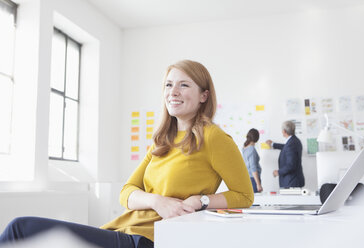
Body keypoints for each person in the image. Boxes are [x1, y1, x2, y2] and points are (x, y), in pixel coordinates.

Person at [0, 60, 254, 248]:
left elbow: (244, 195)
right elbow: (126, 193)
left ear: (203, 95)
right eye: (168, 85)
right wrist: (156, 201)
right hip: (121, 230)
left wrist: (200, 200)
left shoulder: (213, 137)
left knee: (21, 229)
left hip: (147, 239)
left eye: (184, 85)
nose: (172, 92)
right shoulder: (161, 141)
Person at [266, 120, 305, 188]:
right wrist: (273, 144)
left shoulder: (291, 144)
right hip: (293, 181)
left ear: (284, 131)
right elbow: (285, 147)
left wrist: (278, 172)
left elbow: (291, 165)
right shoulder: (294, 141)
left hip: (291, 182)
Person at [242, 128, 263, 193]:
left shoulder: (244, 148)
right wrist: (258, 184)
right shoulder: (251, 149)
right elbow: (253, 168)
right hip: (253, 179)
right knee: (256, 201)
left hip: (248, 178)